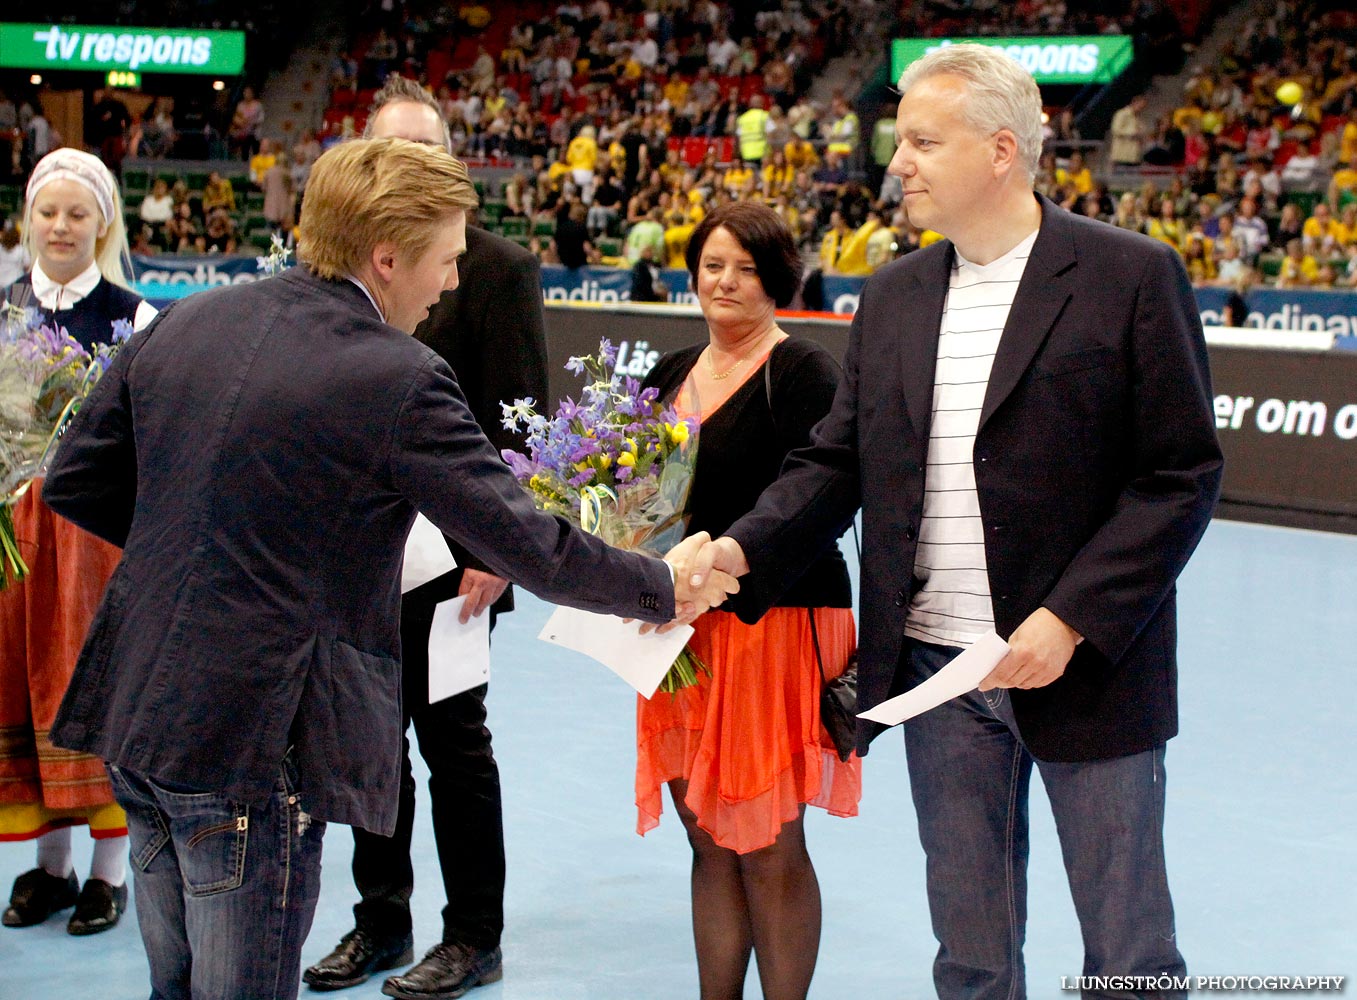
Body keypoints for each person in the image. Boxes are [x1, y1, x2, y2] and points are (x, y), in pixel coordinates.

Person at [39, 137, 737, 1000]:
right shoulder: (398, 375)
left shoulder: (191, 318)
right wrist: (663, 582)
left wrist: (196, 546)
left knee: (173, 982)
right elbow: (525, 542)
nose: (451, 282)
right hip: (250, 732)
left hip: (135, 708)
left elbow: (75, 478)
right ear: (386, 257)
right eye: (446, 259)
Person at [689, 43, 1222, 1000]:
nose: (898, 164)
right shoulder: (892, 297)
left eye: (923, 143)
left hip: (1084, 665)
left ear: (1000, 152)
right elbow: (835, 463)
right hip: (936, 672)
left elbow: (1178, 476)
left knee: (1129, 953)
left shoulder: (1130, 277)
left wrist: (1070, 618)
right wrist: (738, 549)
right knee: (970, 955)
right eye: (901, 143)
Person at [303, 76, 550, 1000]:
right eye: (392, 150)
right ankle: (381, 922)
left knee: (454, 745)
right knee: (367, 740)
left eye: (427, 150)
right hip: (354, 554)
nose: (411, 164)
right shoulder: (339, 266)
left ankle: (473, 935)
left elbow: (523, 422)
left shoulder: (496, 267)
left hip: (454, 561)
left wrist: (497, 550)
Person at [637, 202, 860, 1000]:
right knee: (705, 835)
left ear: (777, 279)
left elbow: (825, 494)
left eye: (745, 267)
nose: (725, 282)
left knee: (766, 839)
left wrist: (729, 562)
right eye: (711, 265)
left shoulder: (802, 372)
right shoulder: (664, 375)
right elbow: (630, 500)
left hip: (775, 623)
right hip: (676, 633)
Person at [1, 148, 156, 938]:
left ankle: (107, 874)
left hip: (97, 540)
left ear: (102, 225)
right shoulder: (0, 310)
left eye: (76, 214)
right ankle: (48, 868)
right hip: (12, 541)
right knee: (24, 688)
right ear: (27, 220)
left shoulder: (136, 318)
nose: (59, 227)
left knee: (90, 687)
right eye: (47, 213)